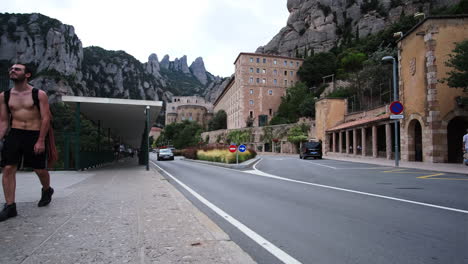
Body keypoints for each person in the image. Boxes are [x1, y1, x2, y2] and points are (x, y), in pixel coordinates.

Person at [0, 63, 54, 222]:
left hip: (35, 133)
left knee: (39, 169)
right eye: (11, 69)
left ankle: (46, 189)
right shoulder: (5, 96)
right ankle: (10, 206)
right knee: (8, 168)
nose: (12, 71)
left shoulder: (39, 94)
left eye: (17, 69)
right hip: (15, 133)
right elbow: (3, 121)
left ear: (27, 75)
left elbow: (46, 118)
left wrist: (40, 140)